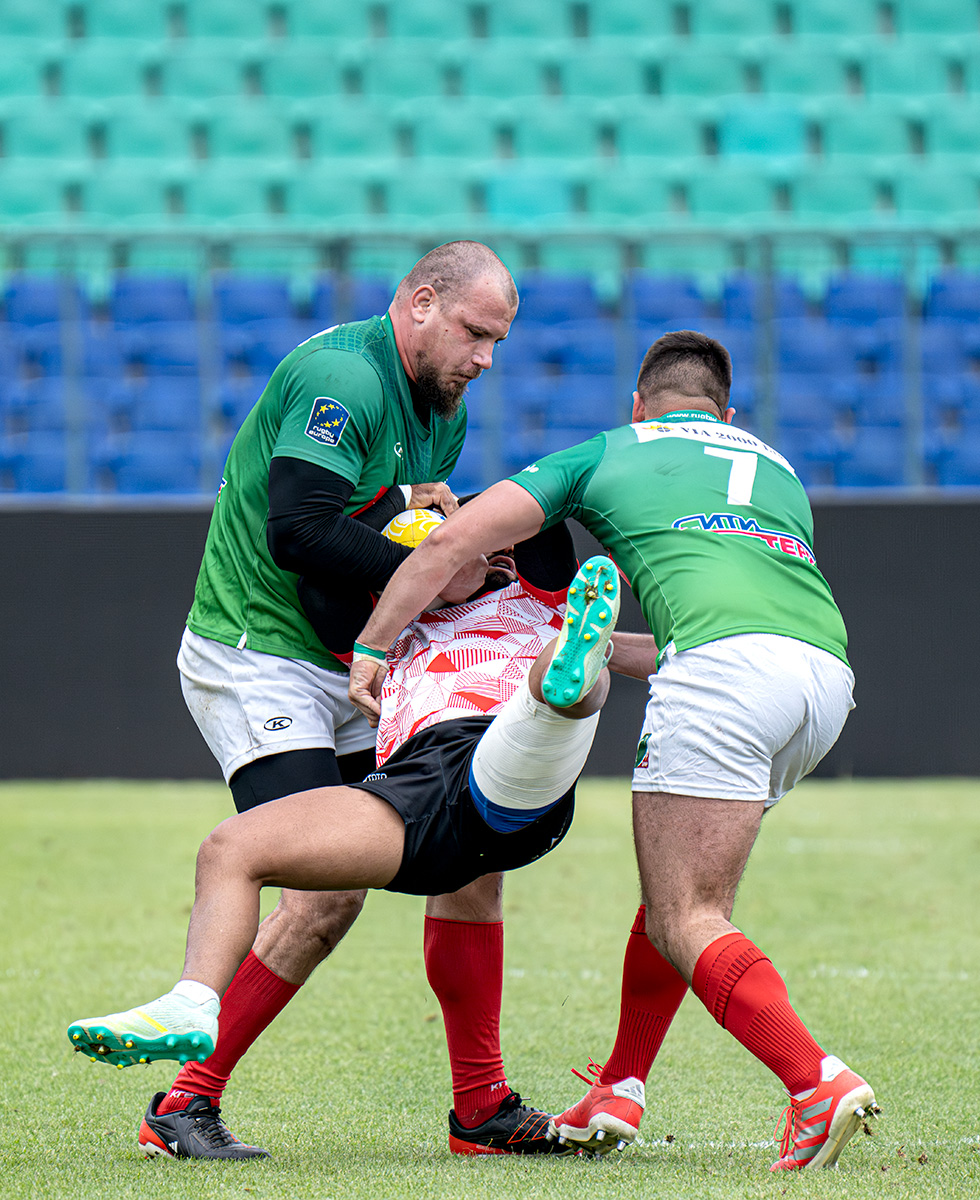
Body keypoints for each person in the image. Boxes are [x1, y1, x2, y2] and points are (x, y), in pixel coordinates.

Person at [347, 330, 880, 1173]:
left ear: (639, 406)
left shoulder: (611, 450)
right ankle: (620, 1086)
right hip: (819, 678)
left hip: (721, 677)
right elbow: (696, 631)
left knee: (686, 917)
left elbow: (452, 543)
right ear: (725, 415)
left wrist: (374, 645)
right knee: (676, 897)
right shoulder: (775, 468)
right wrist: (589, 643)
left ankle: (814, 1080)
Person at [153, 240, 534, 1160]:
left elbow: (388, 523)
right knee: (325, 894)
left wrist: (445, 552)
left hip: (356, 657)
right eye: (475, 333)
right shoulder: (344, 379)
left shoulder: (443, 408)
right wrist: (437, 568)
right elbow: (296, 530)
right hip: (260, 654)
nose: (485, 357)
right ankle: (181, 1105)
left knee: (471, 854)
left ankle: (481, 1109)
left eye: (498, 341)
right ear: (420, 302)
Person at [68, 540, 632, 1158]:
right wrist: (422, 573)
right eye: (432, 548)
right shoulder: (383, 632)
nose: (451, 548)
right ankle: (479, 1110)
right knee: (238, 853)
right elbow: (319, 573)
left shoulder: (536, 591)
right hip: (438, 788)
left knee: (552, 695)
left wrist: (463, 543)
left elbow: (536, 521)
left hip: (511, 772)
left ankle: (569, 677)